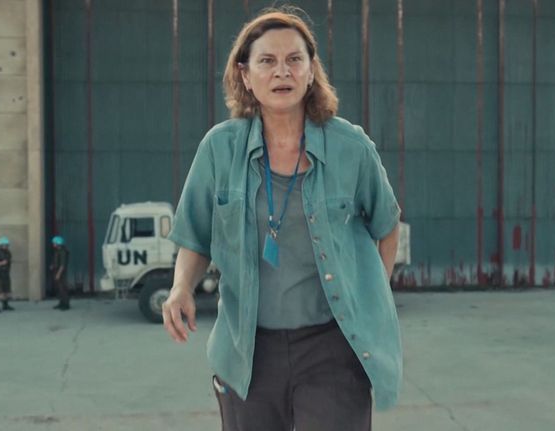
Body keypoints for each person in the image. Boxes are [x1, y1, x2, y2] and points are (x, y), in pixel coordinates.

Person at [162, 7, 402, 430]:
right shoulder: (219, 149)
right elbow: (196, 237)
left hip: (332, 346)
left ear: (311, 72)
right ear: (245, 74)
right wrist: (181, 287)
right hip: (247, 350)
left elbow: (387, 226)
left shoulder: (351, 147)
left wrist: (368, 298)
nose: (282, 72)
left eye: (294, 59)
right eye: (267, 61)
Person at [50, 235, 70, 310]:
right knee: (59, 288)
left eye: (54, 243)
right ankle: (61, 303)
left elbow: (62, 265)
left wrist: (58, 274)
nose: (53, 244)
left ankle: (66, 305)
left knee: (63, 288)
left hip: (61, 272)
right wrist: (52, 265)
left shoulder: (63, 252)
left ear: (58, 243)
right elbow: (56, 261)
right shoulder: (57, 251)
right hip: (57, 271)